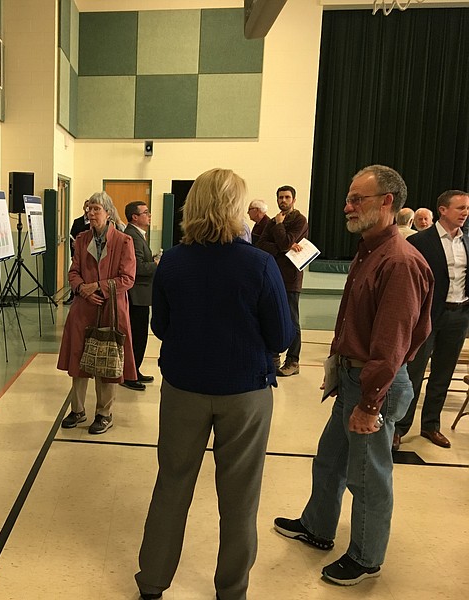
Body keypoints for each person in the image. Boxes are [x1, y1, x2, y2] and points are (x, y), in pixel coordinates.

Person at [135, 168, 293, 600]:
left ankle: (152, 581)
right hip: (245, 393)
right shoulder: (260, 263)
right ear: (235, 209)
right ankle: (231, 590)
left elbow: (161, 326)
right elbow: (281, 336)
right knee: (239, 498)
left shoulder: (174, 262)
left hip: (183, 388)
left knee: (171, 485)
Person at [273, 165, 433, 587]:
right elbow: (353, 323)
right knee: (330, 461)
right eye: (349, 197)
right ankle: (318, 527)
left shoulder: (399, 261)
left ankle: (365, 556)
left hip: (372, 387)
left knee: (369, 477)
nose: (347, 205)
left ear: (387, 202)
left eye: (357, 198)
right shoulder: (369, 250)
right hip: (352, 380)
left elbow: (393, 345)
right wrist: (336, 366)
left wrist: (368, 402)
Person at [394, 190, 469, 450]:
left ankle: (431, 425)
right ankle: (400, 427)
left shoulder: (466, 241)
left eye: (467, 208)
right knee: (413, 373)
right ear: (443, 210)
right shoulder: (420, 241)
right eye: (460, 208)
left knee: (443, 374)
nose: (465, 212)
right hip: (426, 316)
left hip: (458, 315)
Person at [57, 191, 136, 435]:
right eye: (89, 209)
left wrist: (99, 287)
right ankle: (78, 410)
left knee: (108, 363)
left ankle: (104, 413)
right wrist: (82, 288)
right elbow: (73, 272)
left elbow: (127, 278)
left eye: (96, 209)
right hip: (84, 307)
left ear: (108, 213)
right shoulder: (81, 240)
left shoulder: (124, 241)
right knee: (78, 359)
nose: (90, 214)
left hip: (111, 308)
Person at [256, 185, 309, 377]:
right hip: (273, 275)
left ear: (294, 200)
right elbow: (261, 245)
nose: (283, 200)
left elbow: (287, 242)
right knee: (271, 315)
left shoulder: (299, 220)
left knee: (292, 320)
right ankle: (273, 357)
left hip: (291, 278)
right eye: (280, 197)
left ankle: (293, 361)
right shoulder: (272, 221)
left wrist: (280, 230)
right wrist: (284, 246)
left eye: (287, 197)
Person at [121, 201, 159, 391]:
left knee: (141, 335)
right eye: (145, 212)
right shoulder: (132, 236)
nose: (149, 215)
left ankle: (135, 370)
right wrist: (157, 263)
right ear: (134, 217)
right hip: (136, 294)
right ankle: (129, 374)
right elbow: (137, 267)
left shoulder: (138, 235)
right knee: (136, 335)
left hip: (142, 294)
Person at [65, 200, 90, 305]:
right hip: (77, 254)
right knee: (76, 273)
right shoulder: (77, 221)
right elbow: (72, 238)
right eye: (87, 206)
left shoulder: (94, 223)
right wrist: (72, 254)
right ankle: (72, 295)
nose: (89, 209)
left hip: (88, 253)